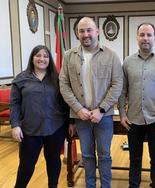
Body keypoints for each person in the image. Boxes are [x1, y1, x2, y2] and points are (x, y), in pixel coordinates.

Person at [59, 17, 123, 188]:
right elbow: (63, 85)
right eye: (81, 31)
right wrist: (78, 109)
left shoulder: (111, 55)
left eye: (89, 30)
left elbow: (117, 84)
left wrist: (101, 110)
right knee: (87, 155)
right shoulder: (68, 56)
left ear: (97, 32)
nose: (85, 34)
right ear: (77, 34)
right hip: (81, 117)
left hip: (104, 117)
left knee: (104, 155)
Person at [118, 23, 155, 188]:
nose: (145, 38)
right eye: (142, 34)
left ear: (154, 37)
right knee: (134, 158)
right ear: (137, 37)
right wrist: (122, 114)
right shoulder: (128, 62)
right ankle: (133, 185)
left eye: (149, 35)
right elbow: (122, 90)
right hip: (133, 119)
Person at [10, 45, 68, 188]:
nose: (42, 59)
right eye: (38, 55)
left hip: (55, 128)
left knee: (53, 160)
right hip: (29, 129)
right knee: (27, 165)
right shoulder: (21, 78)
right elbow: (14, 103)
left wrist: (71, 122)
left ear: (50, 59)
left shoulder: (58, 79)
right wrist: (15, 125)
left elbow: (66, 102)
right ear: (32, 58)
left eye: (45, 56)